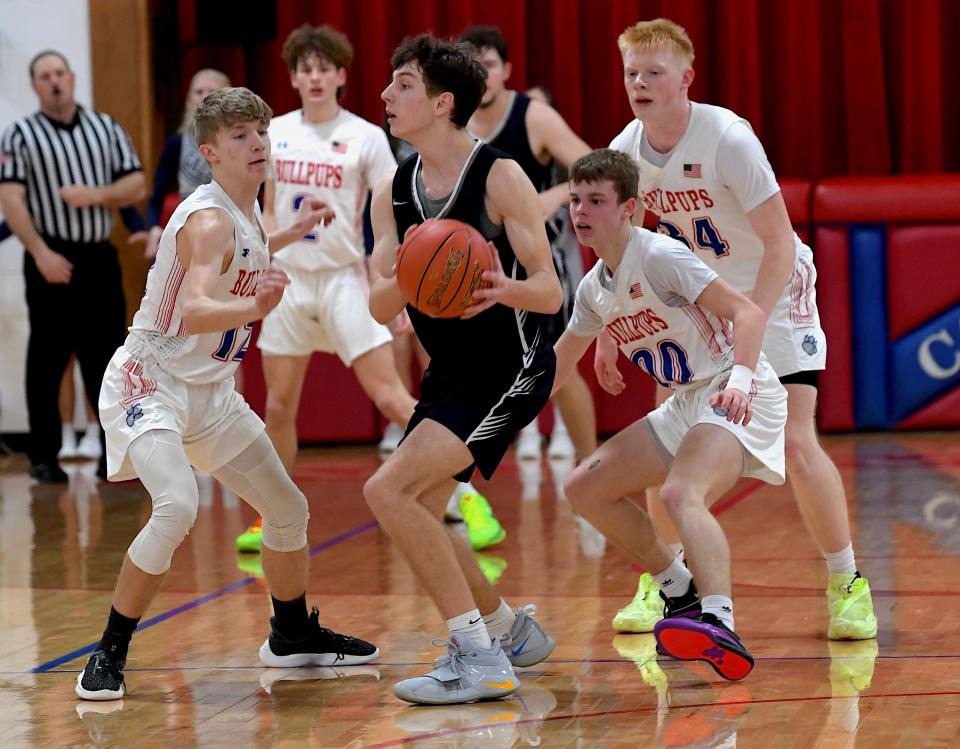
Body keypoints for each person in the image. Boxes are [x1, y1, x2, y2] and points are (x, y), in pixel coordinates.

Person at [74, 86, 377, 701]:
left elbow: (251, 250)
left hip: (209, 392)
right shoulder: (210, 219)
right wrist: (257, 304)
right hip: (150, 380)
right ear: (210, 152)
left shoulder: (246, 209)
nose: (258, 143)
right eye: (241, 136)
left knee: (287, 509)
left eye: (261, 131)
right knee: (177, 506)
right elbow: (194, 309)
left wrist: (290, 232)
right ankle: (107, 652)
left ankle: (290, 634)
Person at [600, 18, 878, 641]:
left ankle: (847, 583)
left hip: (771, 292)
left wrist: (747, 340)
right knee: (664, 435)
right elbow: (620, 244)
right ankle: (667, 579)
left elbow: (780, 244)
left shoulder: (727, 138)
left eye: (653, 73)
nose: (640, 84)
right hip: (699, 298)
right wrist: (608, 328)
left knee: (797, 441)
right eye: (631, 74)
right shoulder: (627, 148)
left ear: (685, 79)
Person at [237, 24, 502, 556]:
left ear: (340, 75)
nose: (313, 77)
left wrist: (399, 278)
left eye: (323, 68)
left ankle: (468, 494)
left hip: (342, 278)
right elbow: (260, 209)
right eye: (304, 69)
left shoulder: (364, 135)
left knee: (389, 396)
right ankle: (272, 515)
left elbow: (399, 212)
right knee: (280, 407)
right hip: (288, 278)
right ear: (293, 77)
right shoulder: (273, 133)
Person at [366, 34, 562, 705]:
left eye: (403, 85)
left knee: (388, 492)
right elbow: (377, 301)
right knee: (417, 505)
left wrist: (497, 286)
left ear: (443, 102)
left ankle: (478, 657)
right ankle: (511, 632)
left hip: (511, 363)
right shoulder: (394, 188)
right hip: (450, 370)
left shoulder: (501, 175)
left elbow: (550, 290)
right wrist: (413, 270)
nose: (387, 96)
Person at [554, 148, 788, 679]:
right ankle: (679, 591)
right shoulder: (593, 289)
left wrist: (743, 381)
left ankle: (720, 620)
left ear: (628, 209)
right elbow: (558, 366)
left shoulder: (659, 256)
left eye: (596, 200)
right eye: (575, 201)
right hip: (687, 401)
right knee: (583, 488)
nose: (581, 212)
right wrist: (489, 419)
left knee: (680, 493)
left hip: (735, 386)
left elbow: (747, 314)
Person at [0, 50, 146, 483]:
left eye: (59, 73)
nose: (54, 81)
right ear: (35, 86)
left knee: (107, 359)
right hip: (48, 256)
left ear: (73, 77)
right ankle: (44, 457)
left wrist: (97, 196)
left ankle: (112, 456)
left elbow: (135, 182)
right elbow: (10, 198)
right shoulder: (20, 134)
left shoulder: (106, 127)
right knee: (46, 358)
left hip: (97, 257)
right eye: (44, 76)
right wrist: (41, 252)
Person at [461, 26, 596, 465]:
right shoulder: (450, 120)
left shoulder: (532, 115)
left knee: (557, 369)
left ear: (506, 71)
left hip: (536, 263)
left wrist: (550, 199)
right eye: (472, 66)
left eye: (489, 65)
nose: (481, 75)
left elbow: (592, 167)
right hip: (478, 267)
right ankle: (454, 488)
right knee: (466, 376)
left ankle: (590, 464)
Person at [143, 69, 232, 260]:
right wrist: (154, 228)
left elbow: (258, 193)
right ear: (188, 100)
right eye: (198, 92)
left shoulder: (241, 142)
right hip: (189, 228)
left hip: (231, 226)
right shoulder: (177, 143)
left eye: (212, 91)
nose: (205, 97)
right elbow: (156, 197)